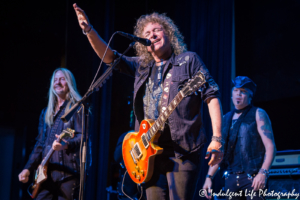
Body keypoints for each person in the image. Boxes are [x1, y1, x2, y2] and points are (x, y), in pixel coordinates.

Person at [73, 4, 224, 199]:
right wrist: (88, 30)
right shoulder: (142, 66)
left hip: (182, 150)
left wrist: (217, 138)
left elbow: (211, 96)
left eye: (157, 30)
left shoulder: (189, 60)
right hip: (148, 152)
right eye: (147, 33)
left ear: (169, 33)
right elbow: (109, 56)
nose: (151, 34)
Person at [202, 76, 277, 200]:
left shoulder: (258, 114)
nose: (238, 94)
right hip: (231, 178)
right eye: (236, 90)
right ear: (231, 93)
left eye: (243, 91)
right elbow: (220, 152)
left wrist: (263, 173)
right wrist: (209, 177)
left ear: (250, 95)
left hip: (253, 178)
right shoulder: (225, 118)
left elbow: (270, 147)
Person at [18, 68, 82, 200]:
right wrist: (28, 169)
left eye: (62, 79)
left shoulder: (77, 109)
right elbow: (40, 144)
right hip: (46, 175)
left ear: (69, 83)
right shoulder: (46, 113)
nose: (58, 83)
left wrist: (66, 145)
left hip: (68, 175)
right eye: (55, 80)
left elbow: (83, 137)